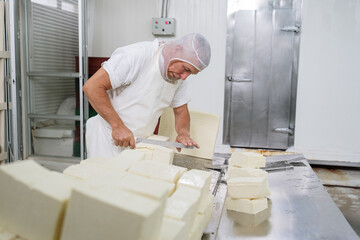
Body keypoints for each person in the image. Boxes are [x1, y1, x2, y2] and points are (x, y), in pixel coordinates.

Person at [84, 33, 211, 159]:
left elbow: (181, 111)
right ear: (177, 49)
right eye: (186, 69)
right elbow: (92, 87)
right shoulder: (138, 55)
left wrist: (183, 133)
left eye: (190, 74)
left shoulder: (179, 77)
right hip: (106, 139)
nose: (184, 77)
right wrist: (118, 126)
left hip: (139, 145)